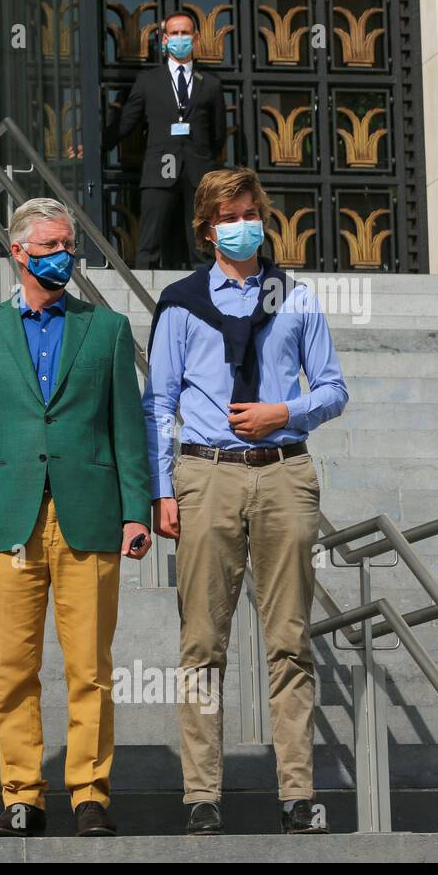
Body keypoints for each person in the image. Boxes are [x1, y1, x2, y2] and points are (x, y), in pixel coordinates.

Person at [142, 167, 349, 836]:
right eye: (228, 215)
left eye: (250, 211)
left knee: (290, 639)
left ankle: (297, 792)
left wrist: (282, 410)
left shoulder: (297, 297)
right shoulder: (178, 302)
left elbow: (334, 388)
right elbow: (160, 401)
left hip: (285, 471)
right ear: (207, 230)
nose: (242, 223)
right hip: (208, 474)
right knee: (203, 639)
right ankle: (202, 793)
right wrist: (161, 487)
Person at [0, 197, 151, 838]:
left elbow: (127, 430)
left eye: (70, 245)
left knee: (90, 666)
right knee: (16, 665)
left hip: (89, 515)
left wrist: (136, 510)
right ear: (19, 252)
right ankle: (22, 797)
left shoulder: (108, 329)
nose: (65, 255)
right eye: (53, 245)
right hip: (9, 517)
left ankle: (90, 793)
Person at [103, 10, 226, 270]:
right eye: (174, 33)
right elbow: (127, 121)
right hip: (159, 169)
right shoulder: (148, 81)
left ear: (195, 37)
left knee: (201, 246)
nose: (180, 38)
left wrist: (203, 158)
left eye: (185, 33)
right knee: (149, 242)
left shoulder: (212, 84)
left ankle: (206, 299)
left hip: (198, 173)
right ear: (165, 39)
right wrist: (95, 146)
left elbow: (218, 134)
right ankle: (142, 300)